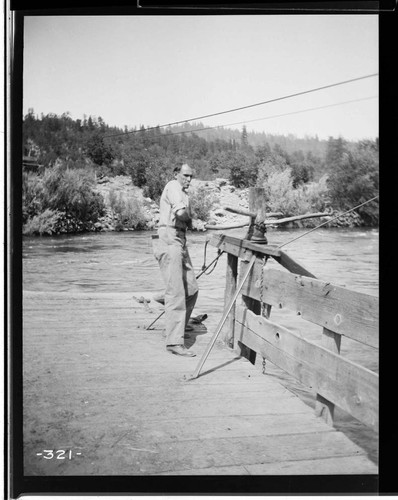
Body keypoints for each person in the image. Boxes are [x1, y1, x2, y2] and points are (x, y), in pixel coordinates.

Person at [153, 163, 198, 357]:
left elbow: (183, 215)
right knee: (177, 292)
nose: (188, 179)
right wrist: (190, 221)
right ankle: (173, 341)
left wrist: (190, 224)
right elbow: (180, 214)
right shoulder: (173, 186)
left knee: (192, 289)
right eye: (185, 175)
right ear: (176, 174)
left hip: (179, 239)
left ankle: (175, 324)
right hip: (169, 238)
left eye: (191, 176)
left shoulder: (183, 193)